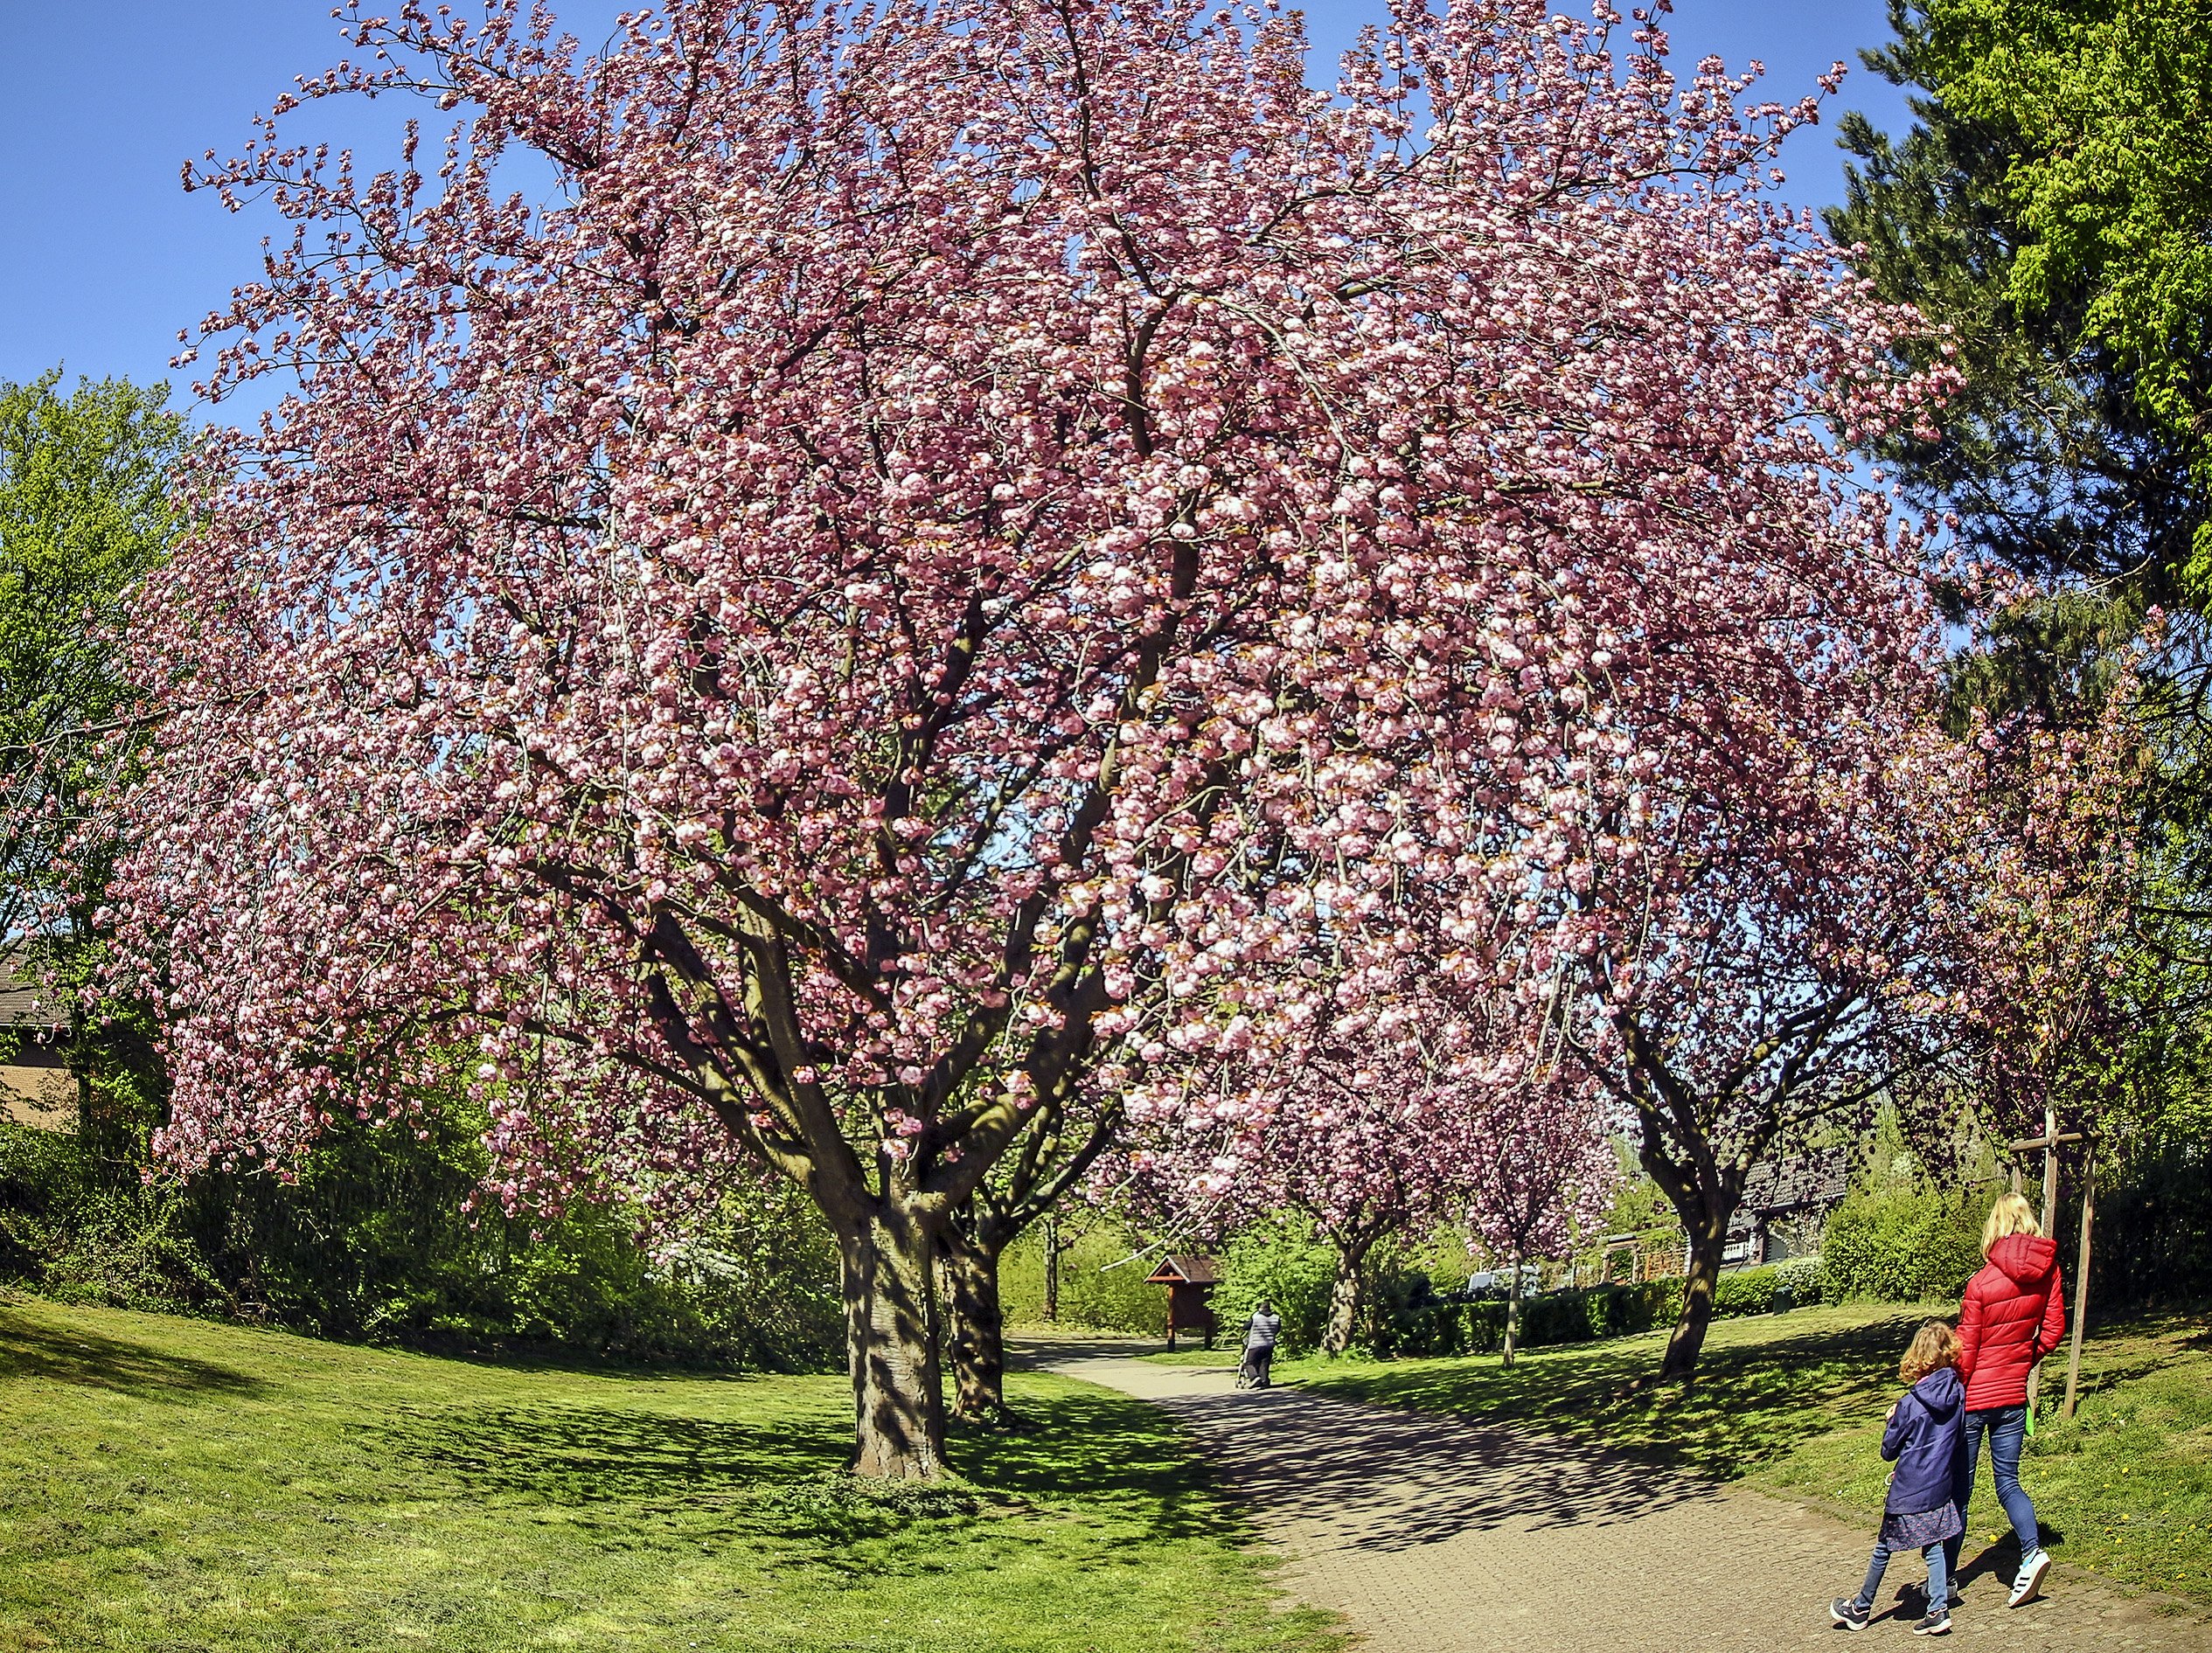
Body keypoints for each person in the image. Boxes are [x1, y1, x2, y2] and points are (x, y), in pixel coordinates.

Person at [1947, 1191, 2066, 1610]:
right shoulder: (2048, 1272)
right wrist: (2023, 1359)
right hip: (2014, 1396)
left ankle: (1944, 1580)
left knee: (1960, 1488)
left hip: (1976, 1397)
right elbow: (2053, 1331)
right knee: (2009, 1481)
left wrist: (1955, 1390)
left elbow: (1967, 1350)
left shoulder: (1980, 1283)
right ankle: (2032, 1553)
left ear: (1995, 1225)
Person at [1831, 1319, 1968, 1636]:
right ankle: (1937, 1609)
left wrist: (1893, 1420)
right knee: (1933, 1546)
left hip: (1908, 1489)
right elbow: (1957, 1437)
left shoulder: (1909, 1403)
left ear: (1918, 1358)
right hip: (1939, 1485)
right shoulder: (1959, 1393)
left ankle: (1861, 1608)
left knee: (1884, 1547)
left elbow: (1888, 1450)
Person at [1239, 1298, 1283, 1388]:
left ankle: (1255, 1377)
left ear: (1260, 1308)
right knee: (1264, 1364)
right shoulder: (1276, 1317)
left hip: (1255, 1344)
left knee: (1248, 1363)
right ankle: (1265, 1381)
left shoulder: (1256, 1317)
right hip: (1269, 1344)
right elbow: (1277, 1330)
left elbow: (1246, 1327)